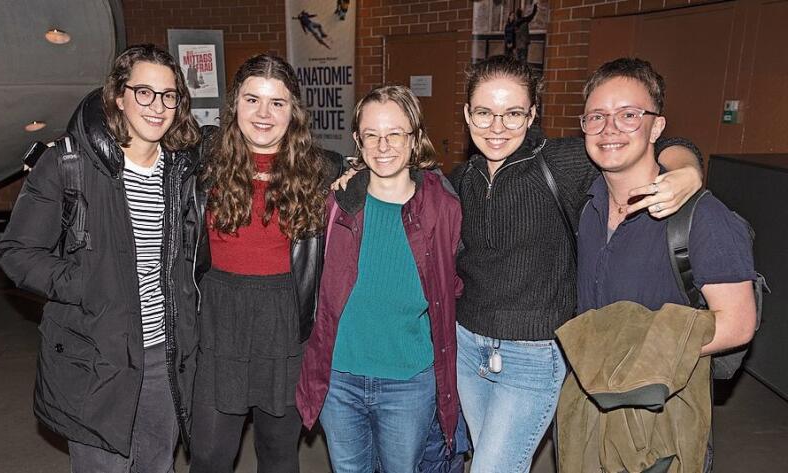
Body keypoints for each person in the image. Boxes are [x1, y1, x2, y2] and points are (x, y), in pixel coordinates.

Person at [447, 54, 704, 473]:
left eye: (512, 113)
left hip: (532, 355)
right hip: (467, 348)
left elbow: (657, 145)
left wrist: (687, 170)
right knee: (493, 458)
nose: (497, 128)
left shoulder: (561, 162)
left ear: (532, 115)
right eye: (484, 113)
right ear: (467, 114)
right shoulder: (461, 179)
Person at [0, 44, 202, 472]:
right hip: (95, 357)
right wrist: (85, 283)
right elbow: (16, 252)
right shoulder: (69, 163)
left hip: (165, 358)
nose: (157, 106)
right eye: (144, 92)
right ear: (118, 96)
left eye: (169, 95)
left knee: (156, 465)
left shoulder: (184, 172)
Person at [571, 56, 757, 472]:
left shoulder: (703, 217)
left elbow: (739, 323)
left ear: (657, 127)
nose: (610, 128)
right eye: (596, 116)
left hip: (663, 408)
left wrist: (634, 354)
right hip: (591, 401)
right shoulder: (588, 201)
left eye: (629, 115)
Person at [296, 85, 462, 473]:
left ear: (415, 137)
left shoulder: (444, 207)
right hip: (340, 380)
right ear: (357, 139)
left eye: (395, 134)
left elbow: (455, 285)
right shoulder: (336, 205)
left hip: (408, 383)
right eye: (372, 134)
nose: (383, 145)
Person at [189, 54, 339, 473]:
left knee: (278, 455)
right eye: (253, 99)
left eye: (277, 103)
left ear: (294, 112)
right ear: (235, 103)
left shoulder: (324, 172)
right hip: (219, 323)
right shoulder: (202, 164)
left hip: (285, 327)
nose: (263, 114)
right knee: (209, 456)